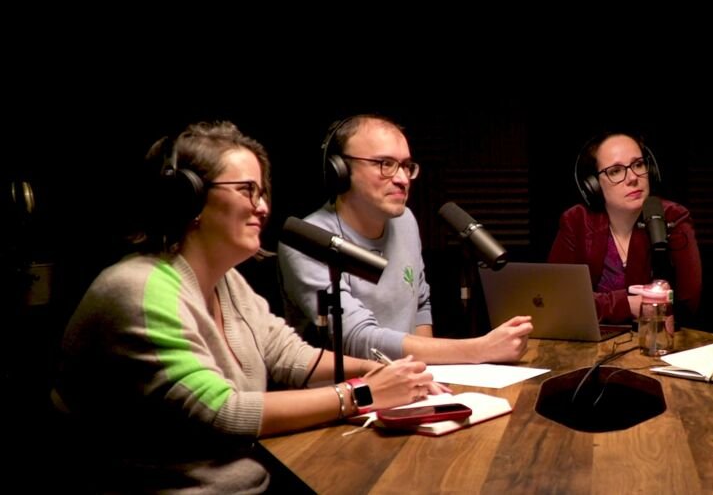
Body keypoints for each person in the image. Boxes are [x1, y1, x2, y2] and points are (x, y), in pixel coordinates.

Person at [51, 121, 439, 493]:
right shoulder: (138, 291)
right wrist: (362, 393)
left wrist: (380, 371)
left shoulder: (226, 280)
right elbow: (223, 412)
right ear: (190, 197)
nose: (263, 207)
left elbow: (289, 355)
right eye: (246, 191)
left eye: (262, 192)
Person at [279, 113, 533, 362]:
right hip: (346, 387)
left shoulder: (404, 222)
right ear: (340, 170)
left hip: (406, 381)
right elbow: (357, 338)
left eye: (406, 166)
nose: (402, 179)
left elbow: (420, 306)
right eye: (385, 164)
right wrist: (477, 349)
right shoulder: (307, 242)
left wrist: (427, 371)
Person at [548, 132, 702, 324]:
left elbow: (688, 302)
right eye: (615, 171)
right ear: (594, 185)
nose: (632, 178)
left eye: (638, 165)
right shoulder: (577, 220)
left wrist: (597, 304)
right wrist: (627, 305)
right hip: (592, 339)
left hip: (654, 338)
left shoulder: (673, 216)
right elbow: (557, 299)